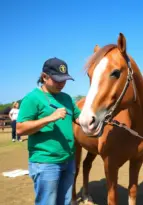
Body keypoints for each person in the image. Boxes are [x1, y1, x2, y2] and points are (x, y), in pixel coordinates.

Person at [16, 57, 81, 205]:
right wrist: (49, 118)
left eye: (64, 80)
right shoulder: (33, 98)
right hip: (45, 162)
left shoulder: (67, 98)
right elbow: (20, 129)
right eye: (57, 80)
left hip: (69, 159)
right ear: (44, 77)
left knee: (65, 201)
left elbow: (79, 118)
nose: (62, 84)